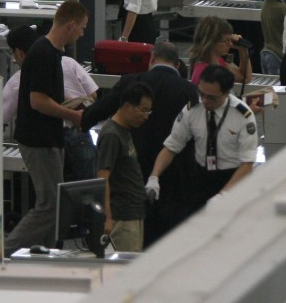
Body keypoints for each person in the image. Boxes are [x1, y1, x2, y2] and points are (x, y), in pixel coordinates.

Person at [80, 41, 197, 248]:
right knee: (170, 245)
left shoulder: (130, 83)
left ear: (151, 58)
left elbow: (93, 115)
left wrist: (79, 117)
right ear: (178, 64)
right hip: (174, 180)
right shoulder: (188, 91)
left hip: (130, 178)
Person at [4, 0, 88, 253]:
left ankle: (46, 254)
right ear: (71, 25)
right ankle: (7, 251)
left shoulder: (52, 53)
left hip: (49, 137)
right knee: (50, 204)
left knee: (56, 203)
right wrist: (72, 116)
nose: (83, 33)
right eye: (82, 28)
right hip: (38, 140)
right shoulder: (43, 53)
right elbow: (38, 102)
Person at [146, 64, 258, 207]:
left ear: (226, 93)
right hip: (201, 177)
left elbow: (247, 163)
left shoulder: (242, 115)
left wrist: (223, 194)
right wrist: (154, 177)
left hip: (232, 177)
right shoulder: (193, 108)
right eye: (201, 94)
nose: (204, 100)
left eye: (211, 98)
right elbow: (172, 146)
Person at [97, 82, 153, 253]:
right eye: (143, 110)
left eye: (148, 111)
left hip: (133, 213)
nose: (146, 116)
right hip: (121, 217)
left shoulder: (124, 131)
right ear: (128, 106)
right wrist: (107, 218)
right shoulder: (112, 135)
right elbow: (102, 178)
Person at [188, 16, 251, 86]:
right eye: (226, 41)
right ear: (211, 43)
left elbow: (245, 78)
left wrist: (242, 49)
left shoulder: (219, 62)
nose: (230, 44)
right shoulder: (204, 72)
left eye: (231, 40)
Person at [259, 0, 286, 75]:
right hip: (278, 55)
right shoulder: (282, 8)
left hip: (266, 52)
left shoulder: (266, 4)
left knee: (269, 90)